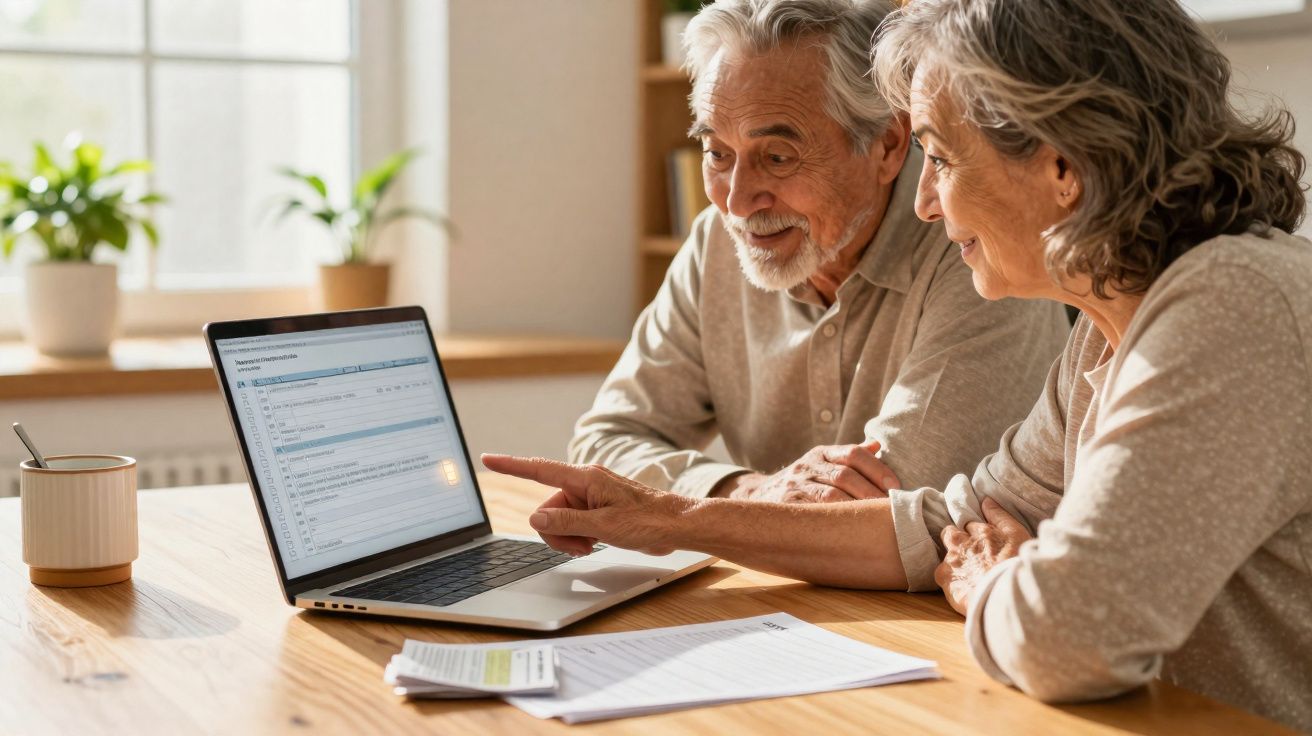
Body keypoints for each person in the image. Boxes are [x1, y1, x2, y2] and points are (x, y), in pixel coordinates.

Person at [487, 0, 1312, 728]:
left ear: (1063, 167)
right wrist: (667, 518)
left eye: (942, 160)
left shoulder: (1228, 302)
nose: (924, 199)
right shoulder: (1108, 329)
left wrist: (987, 580)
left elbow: (1067, 637)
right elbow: (953, 520)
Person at [569, 0, 1070, 504]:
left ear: (888, 145)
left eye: (778, 157)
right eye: (717, 153)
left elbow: (890, 511)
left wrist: (710, 505)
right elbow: (602, 445)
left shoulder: (978, 249)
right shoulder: (715, 242)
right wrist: (745, 489)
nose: (738, 202)